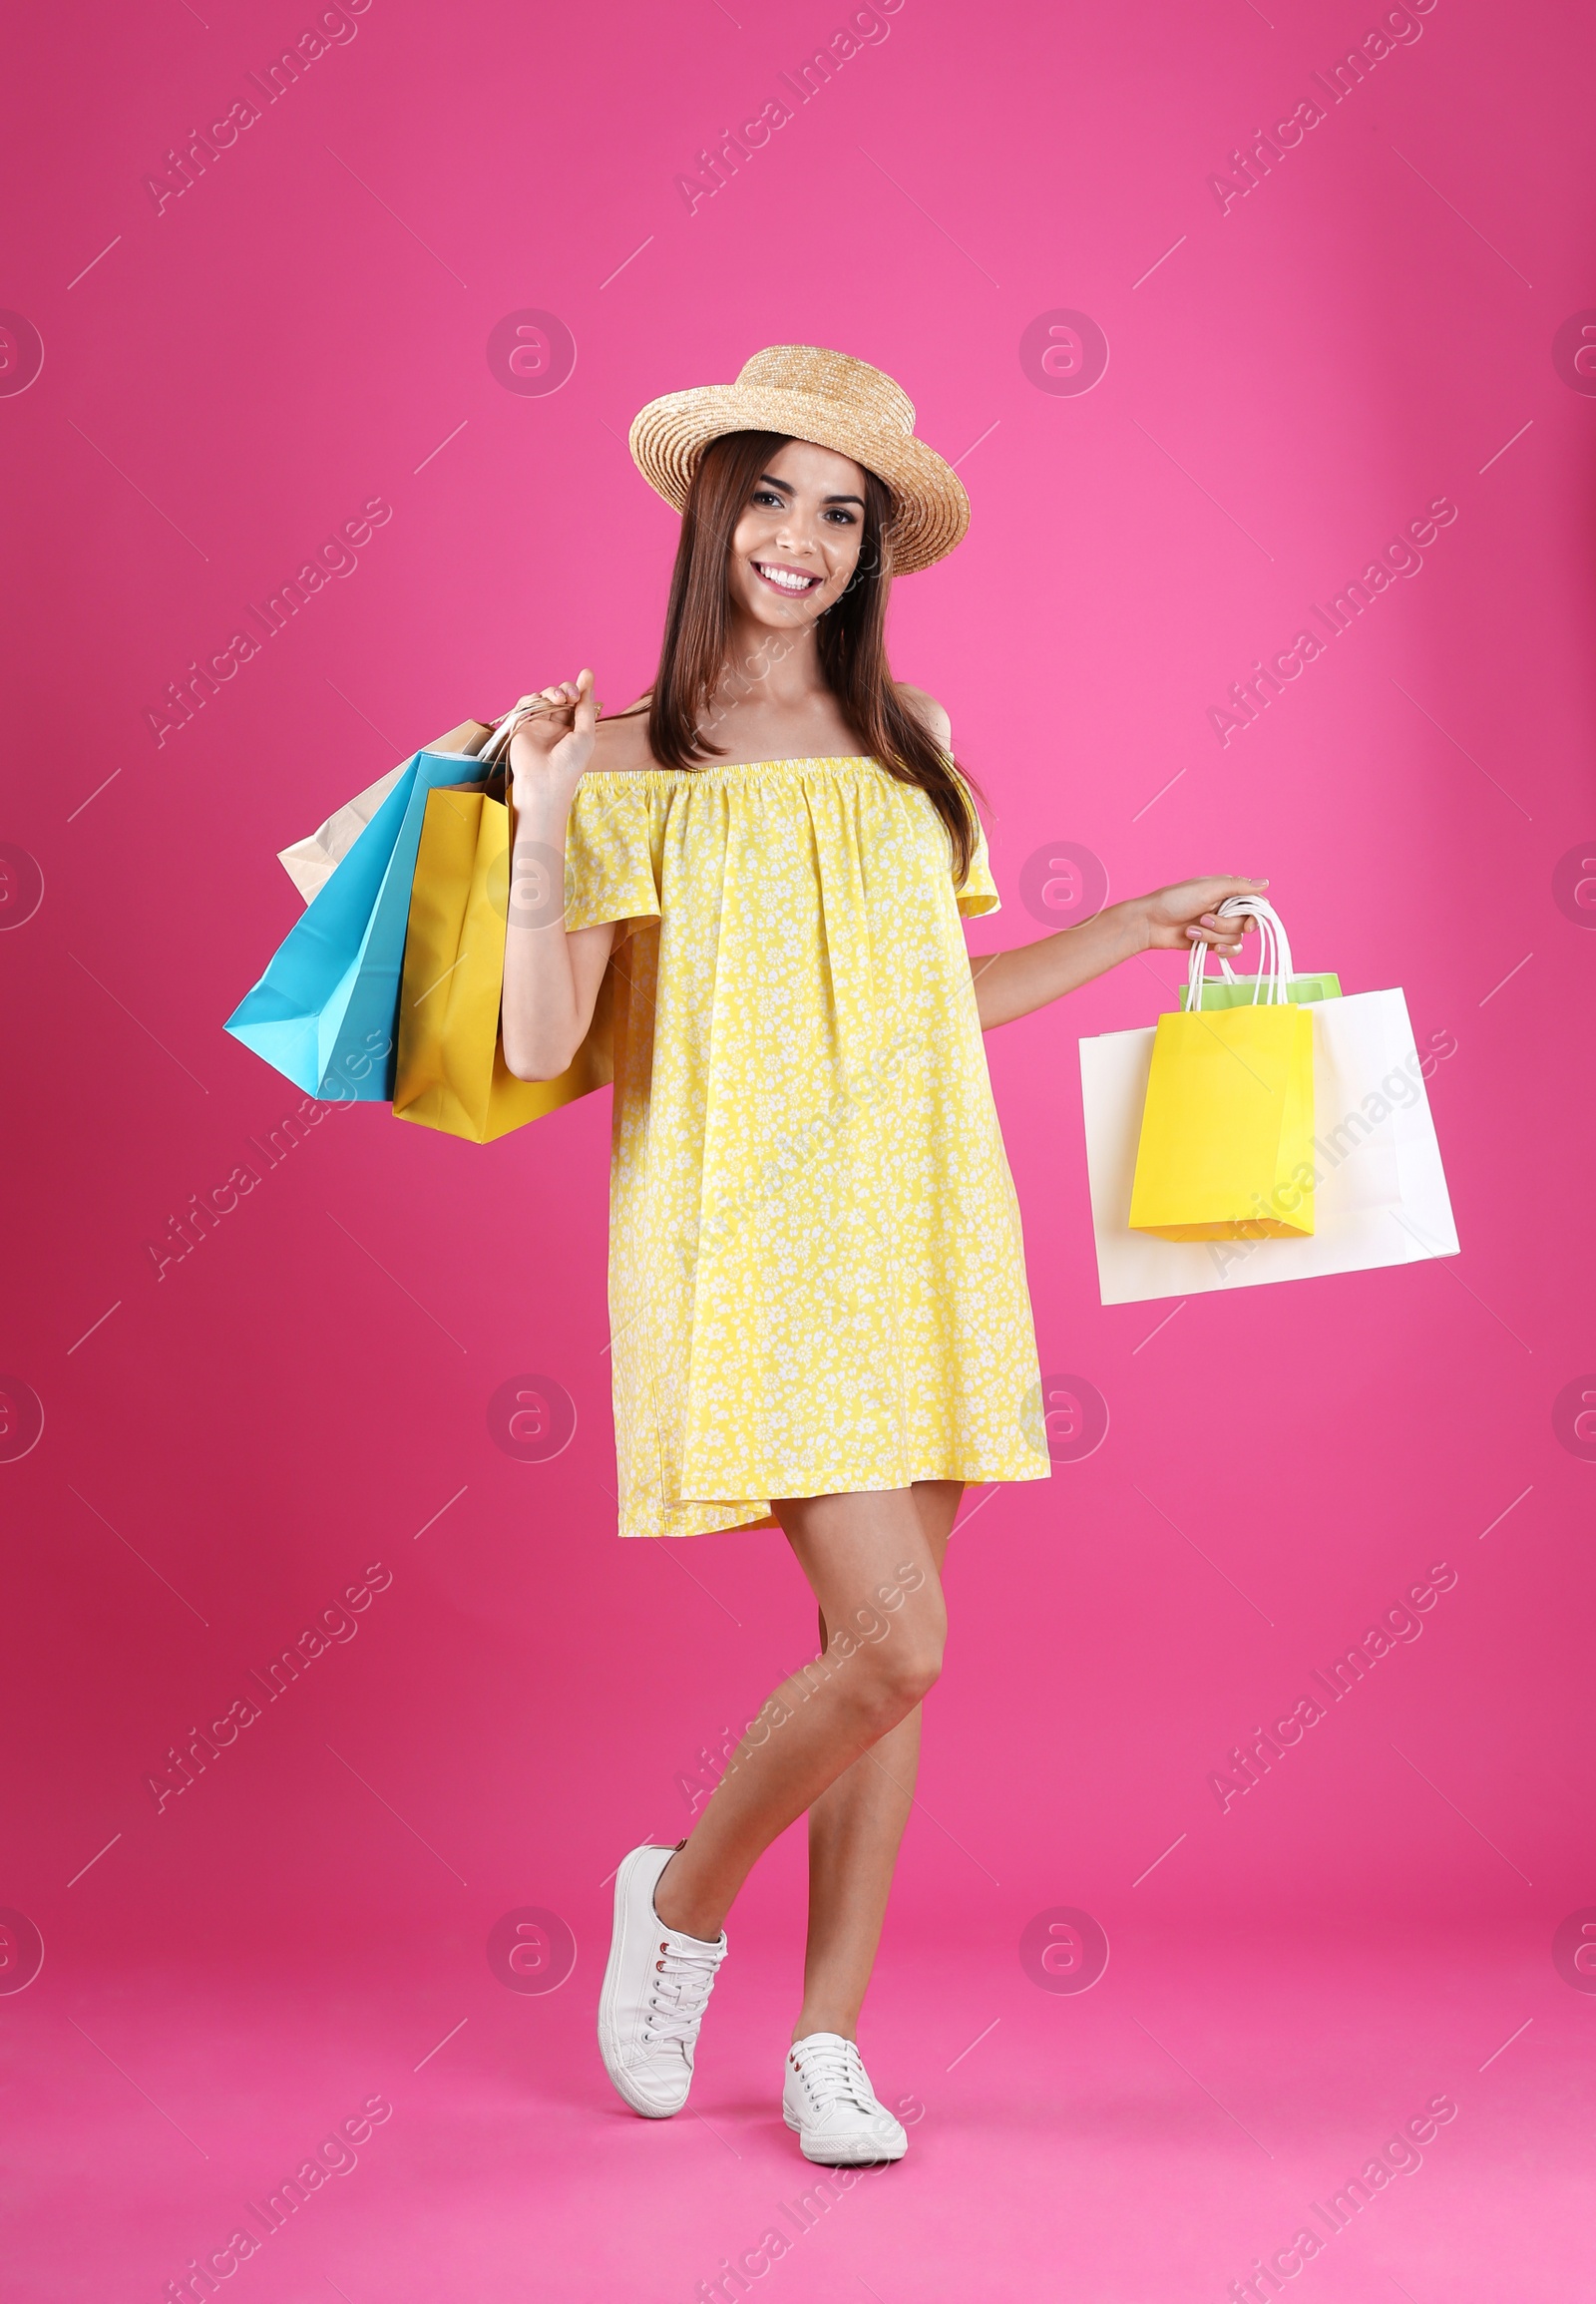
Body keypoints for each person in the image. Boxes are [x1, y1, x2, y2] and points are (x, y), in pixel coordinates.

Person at [499, 345, 1265, 2165]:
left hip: (924, 1212)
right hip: (742, 1230)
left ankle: (830, 2036)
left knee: (874, 1639)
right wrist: (540, 831)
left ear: (872, 549)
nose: (804, 538)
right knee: (902, 1650)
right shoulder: (615, 758)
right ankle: (678, 1902)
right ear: (712, 511)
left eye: (841, 512)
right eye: (771, 495)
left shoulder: (913, 754)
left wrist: (1132, 930)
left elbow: (932, 1008)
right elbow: (543, 1044)